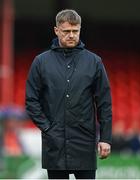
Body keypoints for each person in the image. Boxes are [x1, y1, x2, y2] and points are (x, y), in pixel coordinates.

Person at [25, 9, 112, 179]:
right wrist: (47, 128)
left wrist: (106, 138)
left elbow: (104, 102)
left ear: (80, 29)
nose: (71, 35)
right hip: (54, 141)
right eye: (66, 31)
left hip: (85, 140)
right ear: (56, 30)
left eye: (75, 31)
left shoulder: (94, 62)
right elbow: (31, 100)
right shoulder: (41, 62)